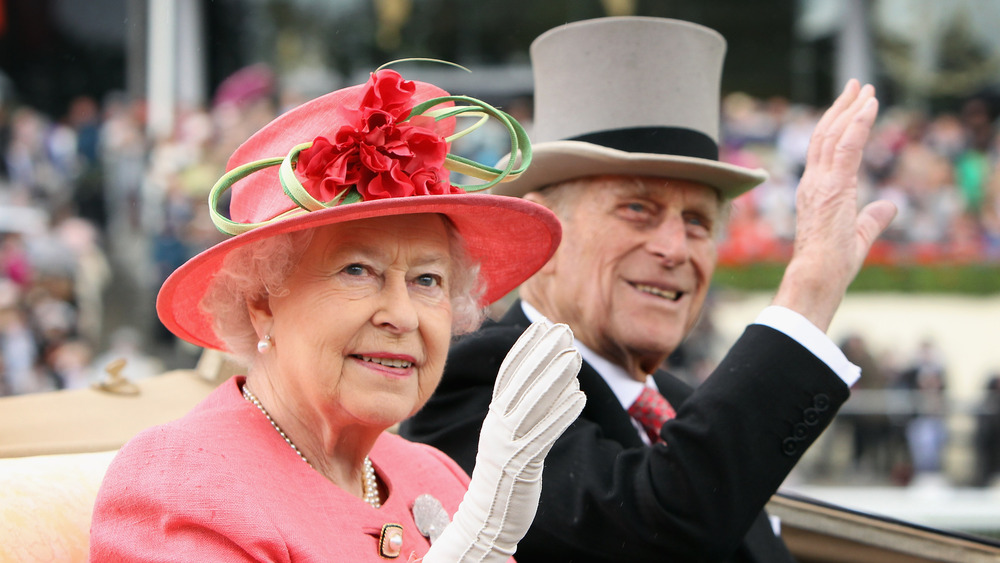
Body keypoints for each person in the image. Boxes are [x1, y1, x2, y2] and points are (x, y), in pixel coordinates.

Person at [401, 17, 897, 563]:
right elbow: (654, 532)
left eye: (697, 222)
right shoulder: (477, 382)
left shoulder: (684, 410)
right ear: (544, 234)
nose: (675, 248)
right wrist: (810, 290)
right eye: (638, 209)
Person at [89, 65, 586, 561]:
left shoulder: (437, 475)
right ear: (261, 302)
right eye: (357, 270)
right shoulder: (183, 480)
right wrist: (474, 547)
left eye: (427, 280)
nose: (402, 315)